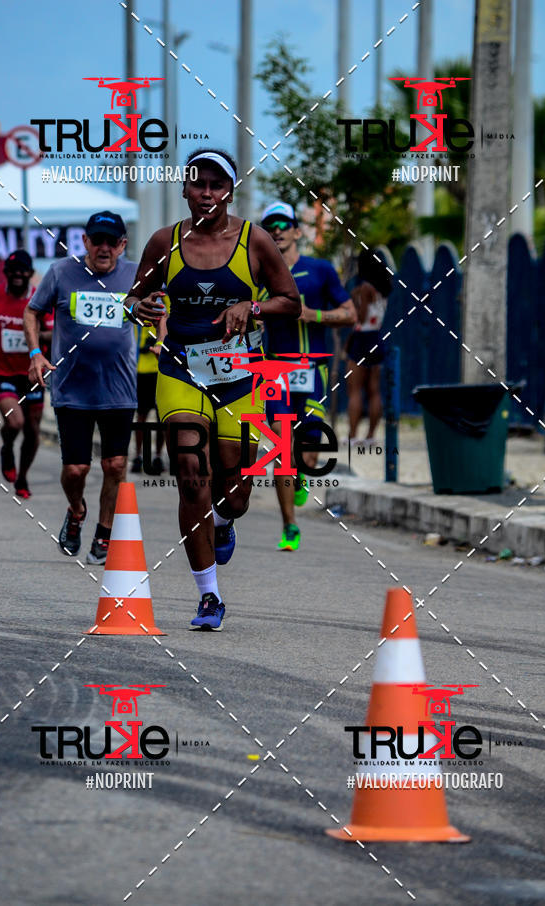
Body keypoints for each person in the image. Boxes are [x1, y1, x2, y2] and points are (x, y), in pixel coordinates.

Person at [125, 149, 300, 631]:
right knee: (189, 473)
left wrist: (254, 308)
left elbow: (291, 301)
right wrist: (140, 305)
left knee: (235, 496)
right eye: (198, 183)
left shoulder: (255, 240)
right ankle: (208, 597)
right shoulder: (165, 241)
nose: (207, 191)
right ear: (184, 190)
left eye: (216, 183)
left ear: (230, 189)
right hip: (180, 372)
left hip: (239, 378)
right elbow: (134, 296)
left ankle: (222, 523)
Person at [23, 211, 137, 564]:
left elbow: (160, 307)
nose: (103, 248)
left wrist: (161, 338)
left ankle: (104, 532)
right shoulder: (61, 271)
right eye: (96, 240)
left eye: (111, 241)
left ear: (122, 244)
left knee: (115, 465)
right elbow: (32, 312)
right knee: (76, 470)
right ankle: (76, 511)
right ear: (85, 241)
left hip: (119, 388)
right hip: (73, 389)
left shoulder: (135, 274)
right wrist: (35, 354)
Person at [259, 201, 356, 552]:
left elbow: (350, 314)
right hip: (276, 371)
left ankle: (301, 472)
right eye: (270, 226)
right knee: (283, 449)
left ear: (298, 232)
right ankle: (289, 527)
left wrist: (313, 315)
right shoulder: (259, 275)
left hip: (314, 370)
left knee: (310, 452)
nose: (278, 230)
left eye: (284, 224)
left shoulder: (320, 270)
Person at [0, 250, 49, 499]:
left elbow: (53, 331)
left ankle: (23, 476)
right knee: (15, 421)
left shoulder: (40, 298)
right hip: (1, 370)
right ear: (6, 272)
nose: (17, 274)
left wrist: (33, 335)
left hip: (32, 373)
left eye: (22, 270)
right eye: (12, 270)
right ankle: (7, 446)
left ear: (29, 273)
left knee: (33, 431)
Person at [346, 248, 392, 444]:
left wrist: (355, 302)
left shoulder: (365, 288)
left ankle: (353, 435)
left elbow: (361, 317)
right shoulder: (382, 288)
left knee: (354, 390)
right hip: (376, 337)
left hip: (362, 339)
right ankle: (371, 435)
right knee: (374, 390)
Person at [131, 304, 168, 476]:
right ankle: (138, 456)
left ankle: (158, 456)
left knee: (162, 418)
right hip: (141, 369)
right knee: (142, 415)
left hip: (161, 369)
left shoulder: (168, 299)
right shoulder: (140, 301)